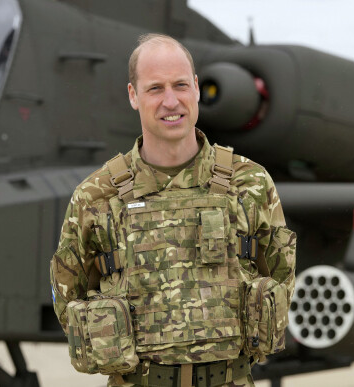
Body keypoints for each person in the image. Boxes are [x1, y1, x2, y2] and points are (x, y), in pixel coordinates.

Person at [50, 33, 296, 387]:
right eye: (155, 88)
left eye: (180, 85)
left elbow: (280, 275)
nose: (171, 101)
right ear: (133, 95)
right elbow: (66, 294)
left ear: (196, 88)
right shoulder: (96, 195)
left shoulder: (251, 183)